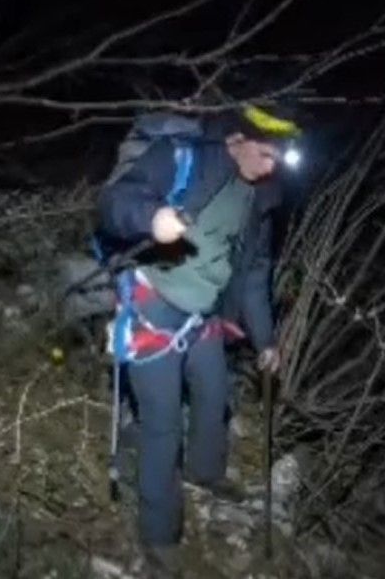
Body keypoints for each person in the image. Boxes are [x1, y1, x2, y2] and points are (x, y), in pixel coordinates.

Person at [96, 105, 298, 572]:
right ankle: (159, 535)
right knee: (163, 422)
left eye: (278, 158)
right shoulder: (182, 155)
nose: (271, 168)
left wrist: (266, 340)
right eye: (266, 154)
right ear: (236, 141)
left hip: (202, 313)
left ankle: (205, 474)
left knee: (214, 395)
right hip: (152, 304)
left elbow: (252, 275)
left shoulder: (260, 197)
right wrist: (151, 218)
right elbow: (112, 203)